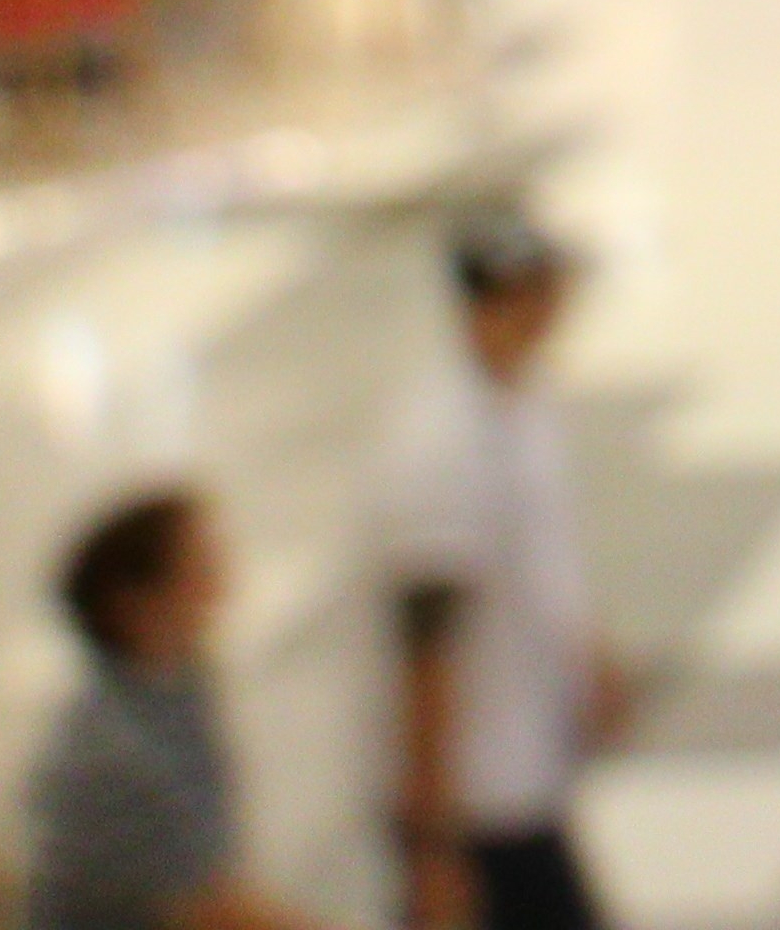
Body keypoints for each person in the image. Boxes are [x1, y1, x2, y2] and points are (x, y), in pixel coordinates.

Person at [383, 208, 628, 930]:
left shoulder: (521, 398)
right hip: (477, 800)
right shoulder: (439, 444)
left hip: (523, 768)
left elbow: (544, 557)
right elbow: (425, 643)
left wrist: (590, 658)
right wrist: (431, 843)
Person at [33, 486, 328, 930]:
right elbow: (205, 909)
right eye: (200, 568)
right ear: (135, 601)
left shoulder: (181, 702)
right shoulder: (110, 750)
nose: (219, 589)